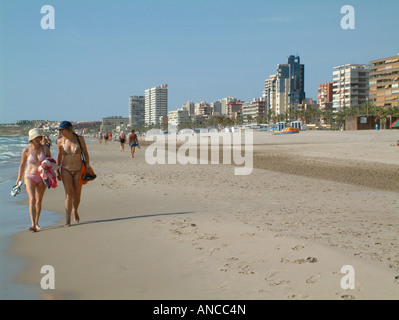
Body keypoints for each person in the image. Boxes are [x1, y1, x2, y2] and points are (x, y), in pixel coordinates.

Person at [56, 121, 92, 227]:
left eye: (62, 129)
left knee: (77, 194)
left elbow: (85, 153)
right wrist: (57, 170)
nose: (61, 132)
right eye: (60, 130)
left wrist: (88, 166)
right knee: (69, 194)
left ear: (69, 129)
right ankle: (67, 220)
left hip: (79, 169)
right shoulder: (60, 141)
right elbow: (59, 156)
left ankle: (75, 210)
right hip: (65, 169)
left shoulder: (79, 139)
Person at [16, 128, 51, 232]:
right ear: (31, 138)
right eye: (36, 137)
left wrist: (50, 172)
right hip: (29, 176)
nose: (38, 139)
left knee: (39, 200)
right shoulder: (26, 150)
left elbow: (50, 161)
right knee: (32, 200)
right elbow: (22, 165)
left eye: (39, 137)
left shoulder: (45, 148)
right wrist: (18, 179)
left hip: (41, 176)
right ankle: (33, 224)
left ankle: (37, 223)